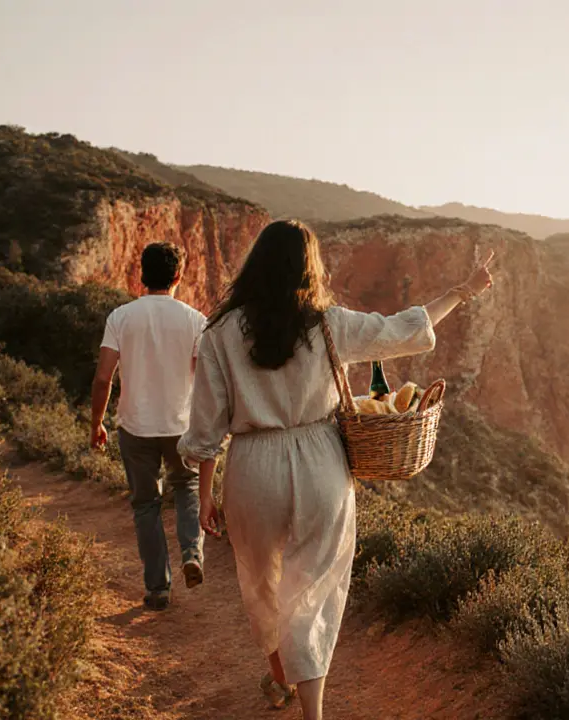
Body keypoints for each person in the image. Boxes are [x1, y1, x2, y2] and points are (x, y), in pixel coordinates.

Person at [178, 219, 493, 719]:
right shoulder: (328, 323)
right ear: (309, 266)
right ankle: (313, 711)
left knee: (261, 582)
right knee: (315, 589)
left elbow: (206, 428)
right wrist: (463, 292)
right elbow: (405, 328)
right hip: (320, 462)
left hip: (253, 467)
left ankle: (280, 676)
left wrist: (205, 494)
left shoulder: (219, 332)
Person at [91, 242, 208, 612]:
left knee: (146, 505)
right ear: (179, 276)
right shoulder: (195, 320)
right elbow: (205, 380)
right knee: (187, 486)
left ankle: (158, 588)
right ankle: (192, 552)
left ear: (142, 274)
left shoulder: (121, 317)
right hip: (181, 426)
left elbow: (102, 378)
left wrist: (97, 422)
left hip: (135, 427)